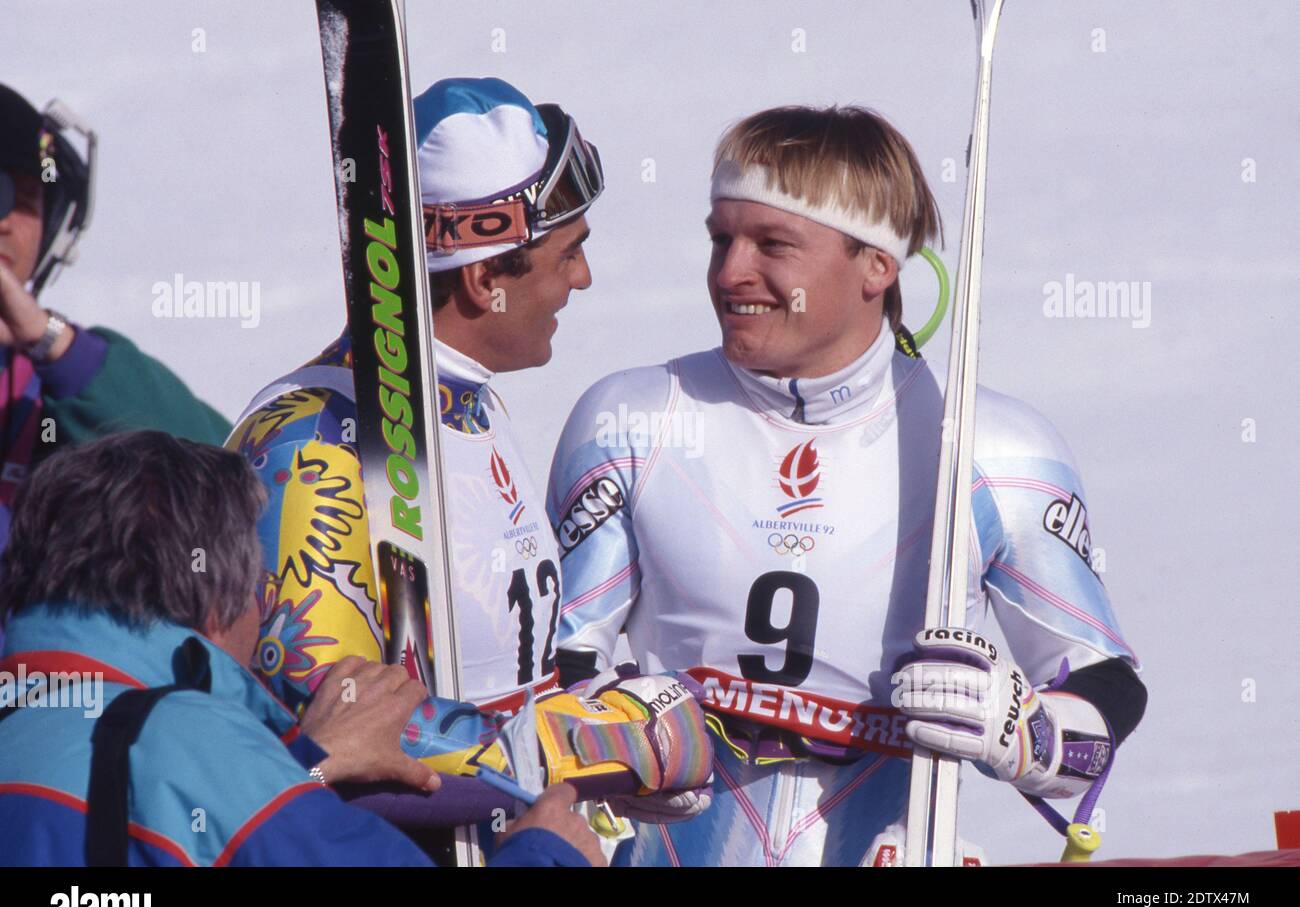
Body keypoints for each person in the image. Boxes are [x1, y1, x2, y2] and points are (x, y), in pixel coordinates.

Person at [547, 105, 1148, 866]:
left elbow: (1104, 688)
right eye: (721, 237)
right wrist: (612, 740)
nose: (731, 272)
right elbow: (555, 666)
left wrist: (1028, 733)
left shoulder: (991, 446)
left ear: (876, 265)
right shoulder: (632, 419)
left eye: (773, 244)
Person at [227, 77, 710, 846]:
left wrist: (613, 760)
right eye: (570, 251)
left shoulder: (473, 403)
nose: (584, 278)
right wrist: (563, 747)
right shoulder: (311, 442)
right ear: (488, 281)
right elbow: (322, 714)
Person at [0, 430, 603, 866]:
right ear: (214, 604)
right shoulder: (177, 738)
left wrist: (306, 770)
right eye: (259, 589)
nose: (265, 612)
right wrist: (547, 853)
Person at [0, 84, 229, 559]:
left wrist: (50, 342)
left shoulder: (60, 394)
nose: (6, 222)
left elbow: (228, 478)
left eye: (25, 198)